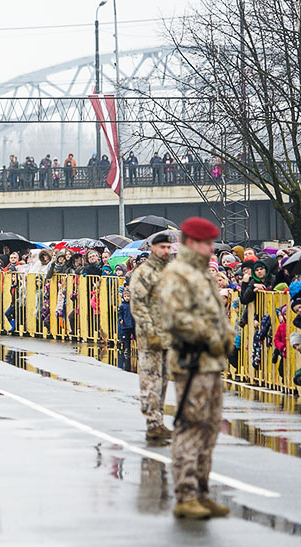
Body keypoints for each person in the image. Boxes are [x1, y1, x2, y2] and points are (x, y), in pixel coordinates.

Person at [157, 217, 234, 520]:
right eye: (206, 243)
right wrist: (211, 337)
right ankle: (186, 493)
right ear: (191, 243)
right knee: (190, 426)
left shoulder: (202, 274)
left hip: (211, 362)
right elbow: (176, 317)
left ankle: (201, 490)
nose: (211, 249)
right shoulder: (178, 274)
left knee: (210, 427)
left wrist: (225, 338)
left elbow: (217, 313)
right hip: (192, 361)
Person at [128, 231, 173, 444]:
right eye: (162, 247)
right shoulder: (144, 272)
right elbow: (137, 304)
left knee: (163, 381)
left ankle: (159, 420)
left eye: (168, 247)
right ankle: (152, 423)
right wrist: (149, 329)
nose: (166, 251)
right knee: (150, 380)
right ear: (153, 248)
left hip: (168, 334)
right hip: (150, 335)